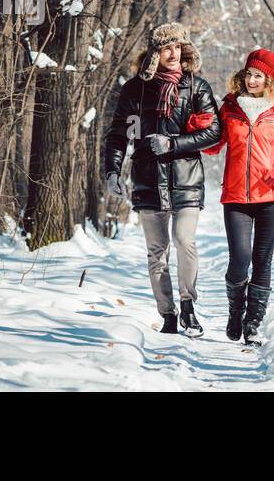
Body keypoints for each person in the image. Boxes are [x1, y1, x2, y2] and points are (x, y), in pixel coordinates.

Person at [103, 22, 220, 337]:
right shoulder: (136, 90)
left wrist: (174, 143)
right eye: (167, 47)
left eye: (178, 47)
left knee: (185, 240)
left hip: (186, 178)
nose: (174, 53)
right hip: (147, 177)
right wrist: (113, 170)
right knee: (157, 251)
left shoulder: (196, 87)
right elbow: (120, 134)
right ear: (154, 51)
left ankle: (188, 306)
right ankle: (167, 314)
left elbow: (213, 132)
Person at [202, 49, 274, 345]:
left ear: (269, 80)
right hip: (236, 197)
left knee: (262, 259)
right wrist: (200, 126)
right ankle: (235, 312)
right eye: (249, 74)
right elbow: (213, 146)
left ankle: (253, 324)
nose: (252, 79)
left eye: (259, 75)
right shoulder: (230, 108)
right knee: (240, 258)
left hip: (272, 197)